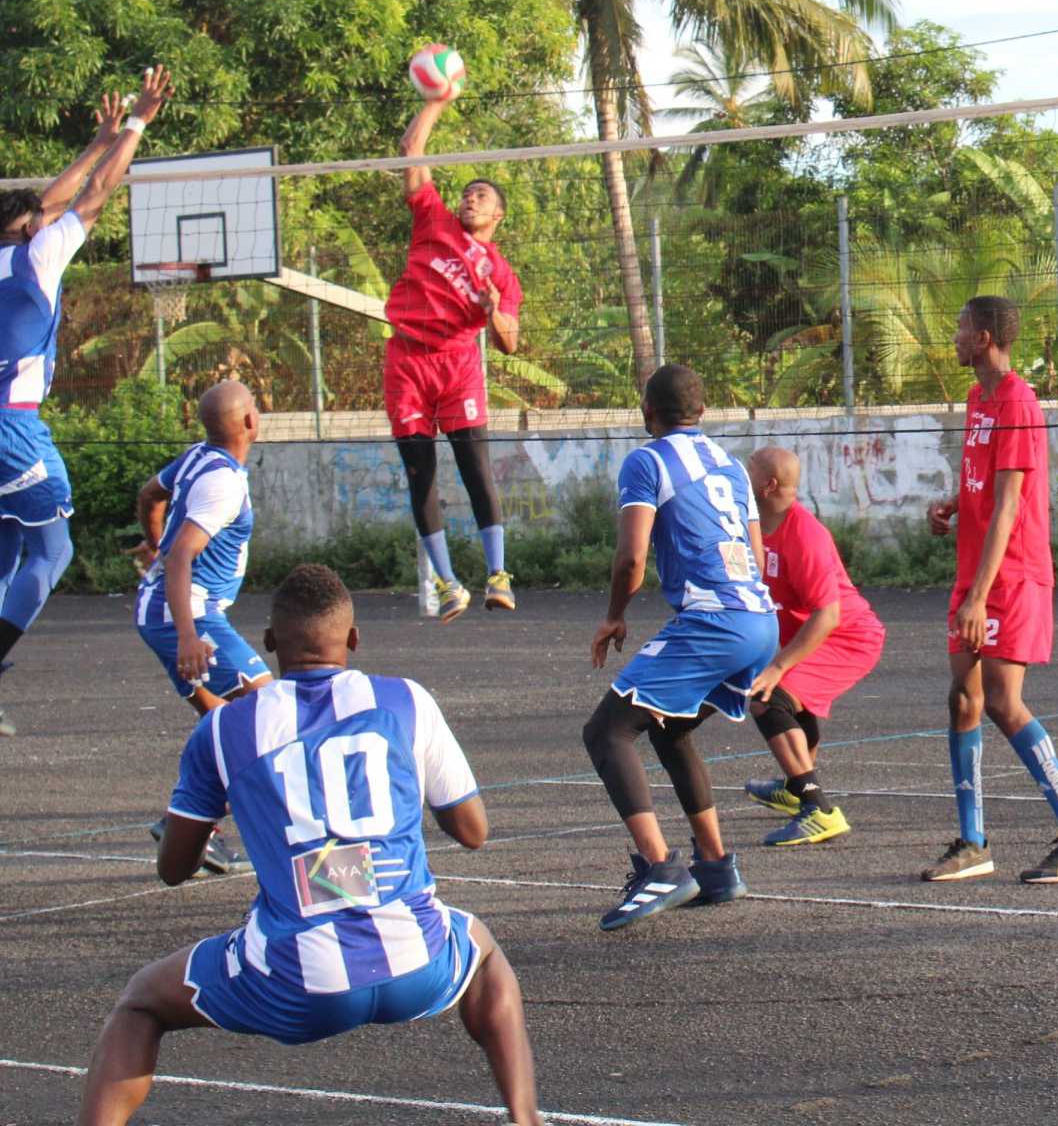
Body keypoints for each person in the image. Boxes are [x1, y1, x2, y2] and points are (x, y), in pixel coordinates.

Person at [76, 564, 541, 1126]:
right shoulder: (407, 701)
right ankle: (525, 1119)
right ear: (354, 638)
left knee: (142, 1001)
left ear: (269, 644)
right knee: (484, 952)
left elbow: (174, 868)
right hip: (416, 965)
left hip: (297, 983)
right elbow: (473, 831)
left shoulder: (225, 729)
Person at [0, 68, 171, 735]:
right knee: (52, 554)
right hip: (12, 431)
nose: (47, 219)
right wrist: (134, 126)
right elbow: (93, 196)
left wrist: (96, 139)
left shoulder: (14, 250)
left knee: (8, 547)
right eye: (37, 220)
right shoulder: (35, 260)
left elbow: (49, 200)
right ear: (26, 230)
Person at [920, 295, 1058, 885]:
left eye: (959, 326)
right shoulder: (978, 399)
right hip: (974, 571)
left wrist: (979, 596)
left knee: (1004, 701)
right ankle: (974, 842)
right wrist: (955, 503)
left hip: (1010, 574)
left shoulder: (1019, 403)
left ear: (982, 338)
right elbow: (986, 480)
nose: (952, 336)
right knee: (963, 698)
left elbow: (1010, 505)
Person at [582, 364, 777, 930]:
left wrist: (615, 616)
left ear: (648, 413)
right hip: (761, 620)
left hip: (715, 621)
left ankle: (659, 866)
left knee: (607, 731)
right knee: (670, 726)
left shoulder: (646, 460)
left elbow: (630, 558)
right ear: (702, 410)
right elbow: (759, 556)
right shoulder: (731, 465)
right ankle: (715, 864)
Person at [383, 83, 522, 622]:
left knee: (475, 470)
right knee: (421, 474)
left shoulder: (503, 273)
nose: (470, 198)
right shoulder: (433, 221)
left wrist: (493, 310)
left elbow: (509, 341)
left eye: (481, 196)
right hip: (407, 360)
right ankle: (446, 583)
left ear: (498, 216)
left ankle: (498, 575)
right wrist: (436, 100)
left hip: (458, 363)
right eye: (467, 192)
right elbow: (410, 151)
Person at [130, 379, 270, 874]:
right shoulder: (224, 482)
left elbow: (151, 496)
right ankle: (194, 821)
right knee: (274, 711)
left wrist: (157, 547)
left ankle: (190, 824)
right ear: (250, 423)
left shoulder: (197, 458)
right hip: (184, 618)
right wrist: (190, 635)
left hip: (161, 612)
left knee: (223, 725)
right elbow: (185, 553)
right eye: (254, 406)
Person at [740, 445, 886, 846]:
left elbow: (828, 615)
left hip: (848, 638)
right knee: (784, 696)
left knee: (768, 697)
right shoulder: (754, 525)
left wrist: (778, 666)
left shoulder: (805, 535)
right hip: (818, 633)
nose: (741, 476)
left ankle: (818, 810)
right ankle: (794, 787)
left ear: (768, 485)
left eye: (748, 470)